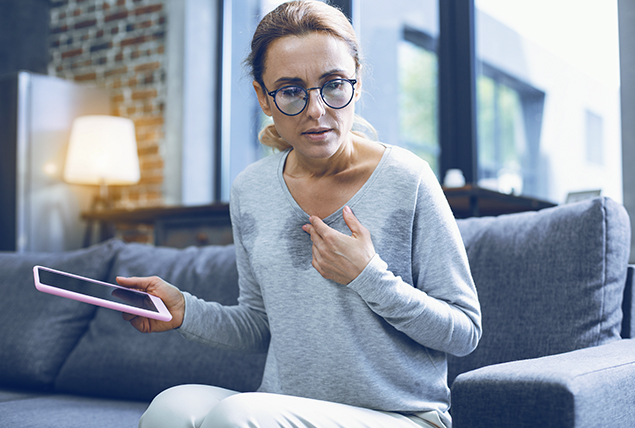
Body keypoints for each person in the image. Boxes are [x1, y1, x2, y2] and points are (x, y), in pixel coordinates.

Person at [116, 1, 481, 427]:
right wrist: (184, 310)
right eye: (291, 91)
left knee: (236, 417)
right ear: (263, 97)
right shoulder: (251, 190)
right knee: (170, 410)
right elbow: (258, 325)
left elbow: (464, 332)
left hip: (400, 416)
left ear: (357, 83)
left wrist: (369, 276)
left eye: (333, 85)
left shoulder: (409, 179)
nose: (316, 110)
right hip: (287, 406)